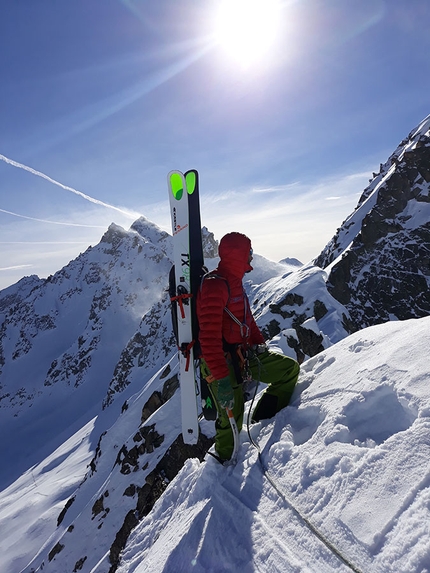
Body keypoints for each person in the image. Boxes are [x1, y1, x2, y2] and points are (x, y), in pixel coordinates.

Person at [197, 232, 300, 462]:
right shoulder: (216, 287)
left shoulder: (235, 283)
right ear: (238, 255)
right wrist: (222, 378)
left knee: (287, 370)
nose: (251, 259)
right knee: (231, 418)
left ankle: (262, 422)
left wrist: (258, 342)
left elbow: (246, 320)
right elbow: (209, 339)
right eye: (248, 253)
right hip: (220, 362)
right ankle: (224, 464)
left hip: (242, 354)